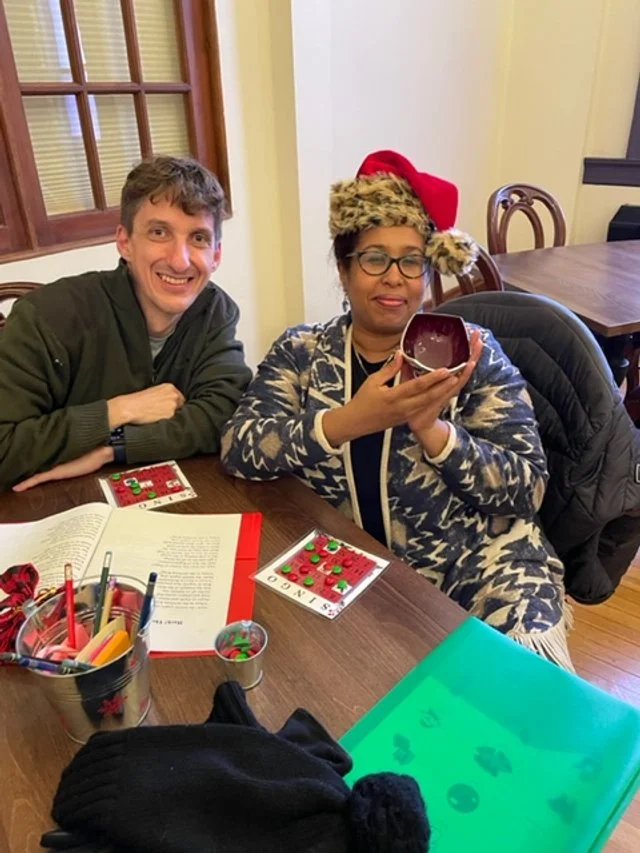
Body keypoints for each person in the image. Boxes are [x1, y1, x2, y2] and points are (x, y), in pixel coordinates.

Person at [221, 149, 573, 670]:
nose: (394, 277)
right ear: (343, 269)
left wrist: (435, 433)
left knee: (519, 695)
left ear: (428, 271)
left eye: (411, 260)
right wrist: (348, 421)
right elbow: (239, 448)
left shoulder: (473, 352)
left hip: (474, 564)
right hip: (348, 567)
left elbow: (526, 488)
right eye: (374, 258)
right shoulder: (303, 353)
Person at [0, 155, 251, 492]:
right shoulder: (47, 316)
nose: (180, 261)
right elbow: (5, 446)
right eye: (159, 232)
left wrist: (115, 448)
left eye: (198, 238)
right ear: (125, 243)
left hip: (159, 496)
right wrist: (117, 410)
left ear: (216, 255)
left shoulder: (215, 312)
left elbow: (225, 416)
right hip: (49, 502)